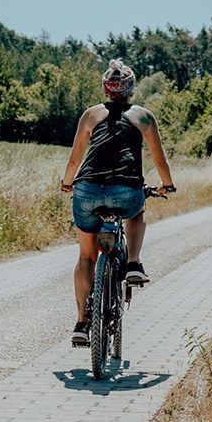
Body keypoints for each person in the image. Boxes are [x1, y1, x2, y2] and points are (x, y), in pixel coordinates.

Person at [59, 59, 175, 346]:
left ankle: (82, 323)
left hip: (86, 190)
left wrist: (67, 182)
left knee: (87, 256)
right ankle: (133, 263)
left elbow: (75, 158)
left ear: (105, 88)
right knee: (136, 211)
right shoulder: (144, 117)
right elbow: (159, 160)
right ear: (131, 88)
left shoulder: (90, 115)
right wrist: (167, 184)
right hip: (126, 190)